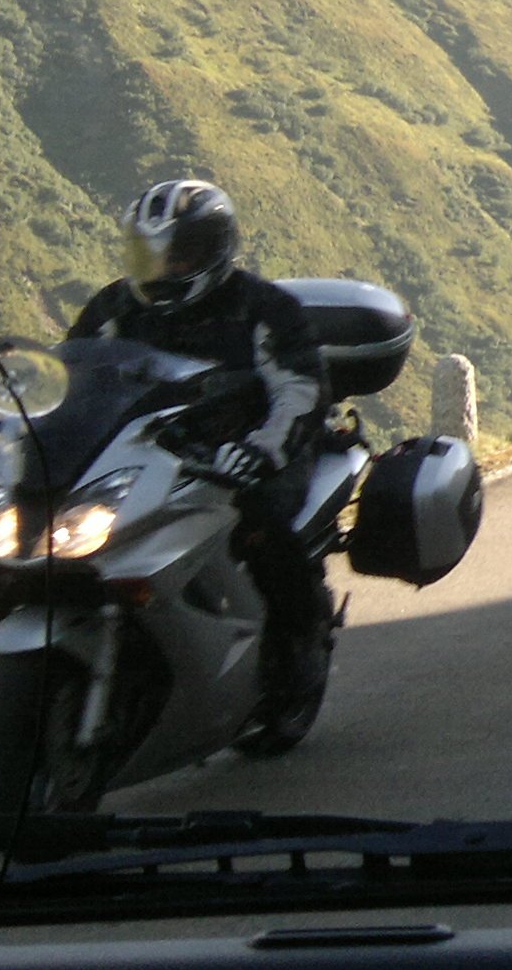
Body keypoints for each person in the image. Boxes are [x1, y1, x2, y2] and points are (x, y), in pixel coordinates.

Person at [66, 178, 332, 713]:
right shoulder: (115, 307)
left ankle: (299, 641)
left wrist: (264, 449)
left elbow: (300, 389)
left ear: (215, 250)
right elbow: (74, 376)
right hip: (152, 448)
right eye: (152, 254)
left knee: (262, 526)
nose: (165, 268)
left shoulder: (263, 307)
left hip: (251, 447)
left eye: (180, 254)